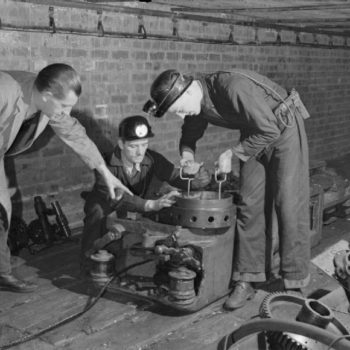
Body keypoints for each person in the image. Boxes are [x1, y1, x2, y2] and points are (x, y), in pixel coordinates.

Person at [143, 69, 311, 310]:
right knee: (249, 204)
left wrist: (231, 153)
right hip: (256, 134)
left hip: (283, 129)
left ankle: (294, 281)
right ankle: (248, 277)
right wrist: (187, 158)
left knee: (288, 203)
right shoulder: (195, 101)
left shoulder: (231, 87)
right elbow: (190, 134)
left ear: (188, 90)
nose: (181, 114)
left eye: (180, 108)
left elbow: (270, 129)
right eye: (176, 112)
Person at [0, 63, 133, 293]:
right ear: (48, 95)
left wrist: (107, 174)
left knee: (2, 211)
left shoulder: (46, 97)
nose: (67, 112)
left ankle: (1, 273)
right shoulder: (4, 90)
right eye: (64, 106)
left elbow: (75, 133)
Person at [80, 115, 210, 270]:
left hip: (138, 205)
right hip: (109, 202)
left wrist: (197, 176)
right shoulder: (104, 163)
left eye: (144, 144)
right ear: (121, 144)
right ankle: (87, 260)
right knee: (97, 212)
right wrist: (150, 204)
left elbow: (175, 176)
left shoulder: (153, 159)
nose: (139, 152)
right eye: (133, 146)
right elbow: (117, 197)